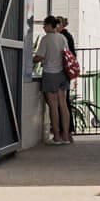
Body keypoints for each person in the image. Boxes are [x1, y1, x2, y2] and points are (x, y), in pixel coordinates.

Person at [36, 16, 73, 145]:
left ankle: (56, 136)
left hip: (50, 74)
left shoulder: (46, 39)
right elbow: (67, 54)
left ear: (50, 26)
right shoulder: (62, 38)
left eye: (44, 25)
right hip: (62, 74)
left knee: (53, 106)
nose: (43, 27)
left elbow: (39, 56)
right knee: (63, 105)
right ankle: (65, 136)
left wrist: (32, 59)